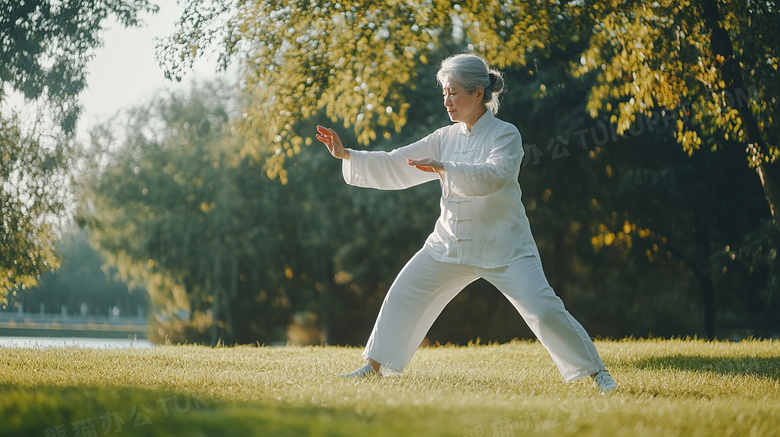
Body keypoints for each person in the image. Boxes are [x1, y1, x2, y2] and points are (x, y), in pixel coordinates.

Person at [315, 53, 617, 392]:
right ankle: (374, 366)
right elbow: (397, 163)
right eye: (444, 92)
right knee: (403, 293)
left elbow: (493, 176)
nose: (446, 101)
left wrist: (445, 169)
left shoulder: (506, 135)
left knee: (545, 310)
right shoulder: (444, 137)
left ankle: (597, 374)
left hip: (504, 247)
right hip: (449, 244)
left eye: (453, 92)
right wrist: (347, 155)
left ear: (477, 93)